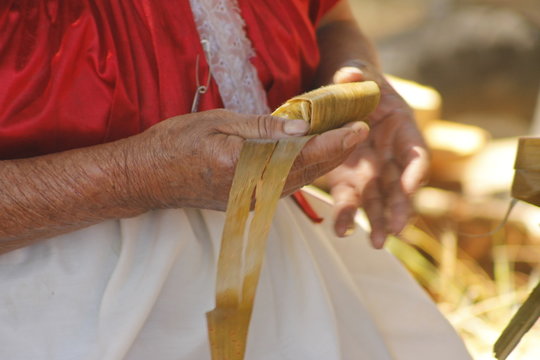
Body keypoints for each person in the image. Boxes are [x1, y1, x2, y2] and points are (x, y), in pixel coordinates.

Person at [0, 1, 472, 359]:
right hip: (52, 314)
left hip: (291, 281)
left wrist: (353, 85)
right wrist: (134, 176)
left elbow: (329, 17)